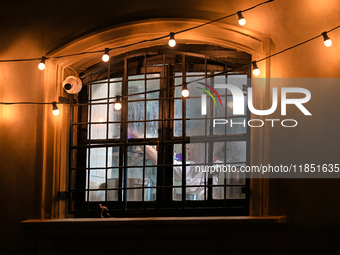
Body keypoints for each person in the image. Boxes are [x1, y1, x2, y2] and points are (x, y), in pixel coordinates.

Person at [128, 129, 224, 200]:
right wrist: (138, 139)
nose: (187, 147)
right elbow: (162, 161)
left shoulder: (221, 169)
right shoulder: (191, 167)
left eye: (192, 144)